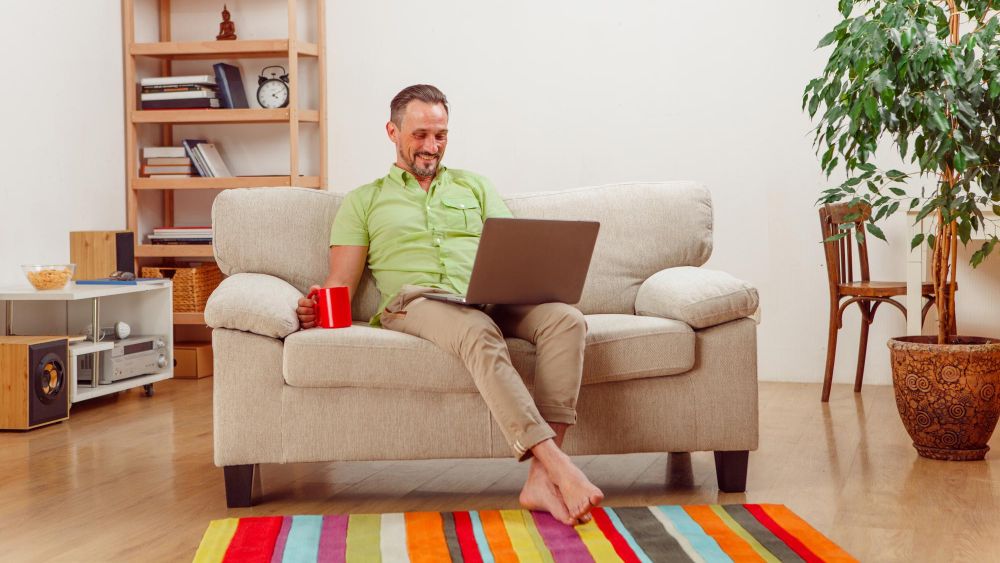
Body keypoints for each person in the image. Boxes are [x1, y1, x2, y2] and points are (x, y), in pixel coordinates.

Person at [296, 84, 603, 525]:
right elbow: (340, 281)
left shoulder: (474, 186)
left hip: (490, 295)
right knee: (477, 331)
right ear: (392, 132)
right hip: (417, 302)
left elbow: (515, 250)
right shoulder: (364, 201)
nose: (432, 146)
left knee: (567, 320)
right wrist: (315, 307)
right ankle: (559, 466)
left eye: (440, 135)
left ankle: (540, 478)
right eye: (420, 135)